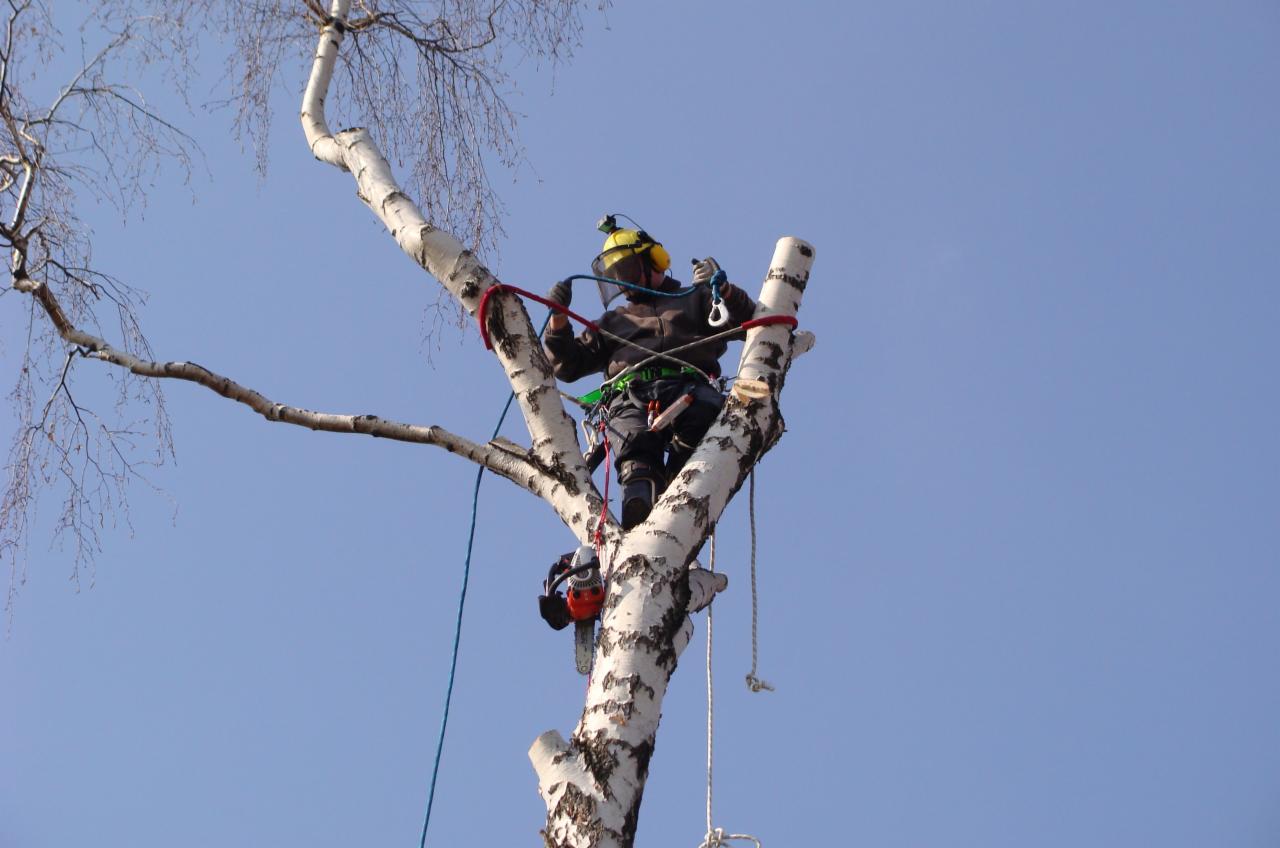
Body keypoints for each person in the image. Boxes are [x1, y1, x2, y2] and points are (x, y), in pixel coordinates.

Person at [543, 224, 756, 529]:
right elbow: (567, 365)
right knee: (633, 441)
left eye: (627, 271)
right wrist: (558, 319)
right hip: (631, 394)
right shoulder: (613, 321)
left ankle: (679, 480)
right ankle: (639, 501)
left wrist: (721, 290)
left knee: (705, 412)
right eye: (615, 277)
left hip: (688, 386)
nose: (623, 283)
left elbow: (749, 323)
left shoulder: (693, 299)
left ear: (653, 260)